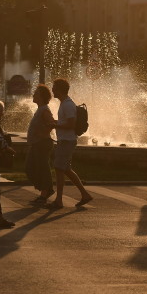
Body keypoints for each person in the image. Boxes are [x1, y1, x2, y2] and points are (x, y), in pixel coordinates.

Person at [48, 78, 93, 209]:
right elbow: (66, 122)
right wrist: (55, 123)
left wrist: (55, 124)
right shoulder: (65, 103)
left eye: (54, 88)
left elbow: (71, 124)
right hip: (66, 140)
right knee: (66, 169)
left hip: (67, 141)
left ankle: (59, 200)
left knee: (58, 168)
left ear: (59, 90)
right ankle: (85, 195)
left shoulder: (67, 104)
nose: (52, 90)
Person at [26, 85, 56, 205]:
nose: (33, 95)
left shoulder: (44, 110)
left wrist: (43, 133)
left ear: (42, 97)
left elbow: (51, 123)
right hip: (37, 144)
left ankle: (44, 194)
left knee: (42, 169)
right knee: (30, 168)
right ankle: (46, 189)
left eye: (36, 94)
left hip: (42, 144)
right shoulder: (40, 109)